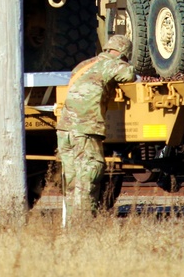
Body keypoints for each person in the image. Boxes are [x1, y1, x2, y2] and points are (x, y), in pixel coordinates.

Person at [56, 34, 136, 224]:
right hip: (85, 128)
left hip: (65, 129)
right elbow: (129, 74)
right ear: (123, 54)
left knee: (72, 179)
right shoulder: (111, 63)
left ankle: (71, 224)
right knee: (89, 175)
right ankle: (83, 225)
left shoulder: (84, 64)